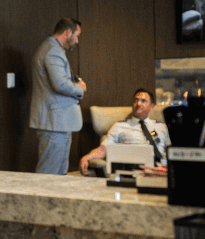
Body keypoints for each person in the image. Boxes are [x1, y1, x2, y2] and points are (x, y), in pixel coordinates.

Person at [28, 18, 88, 174]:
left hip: (58, 123)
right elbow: (60, 84)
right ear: (68, 32)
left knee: (59, 173)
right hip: (54, 123)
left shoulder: (52, 49)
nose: (77, 40)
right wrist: (79, 88)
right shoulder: (52, 50)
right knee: (49, 174)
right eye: (77, 35)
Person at [78, 88, 170, 173]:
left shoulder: (161, 127)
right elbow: (103, 149)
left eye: (143, 101)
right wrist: (87, 157)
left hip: (159, 170)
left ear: (151, 107)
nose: (138, 104)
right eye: (136, 100)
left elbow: (173, 149)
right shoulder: (119, 126)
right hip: (132, 170)